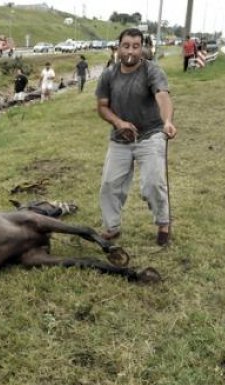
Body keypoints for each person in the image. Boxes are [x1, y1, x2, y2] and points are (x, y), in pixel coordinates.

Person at [95, 28, 177, 246]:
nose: (130, 51)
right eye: (126, 46)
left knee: (152, 183)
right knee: (109, 185)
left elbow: (163, 96)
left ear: (142, 48)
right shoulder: (108, 75)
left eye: (136, 46)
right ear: (118, 47)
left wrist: (167, 120)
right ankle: (112, 227)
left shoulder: (152, 71)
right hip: (120, 138)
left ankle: (163, 223)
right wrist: (119, 123)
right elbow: (102, 107)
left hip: (150, 135)